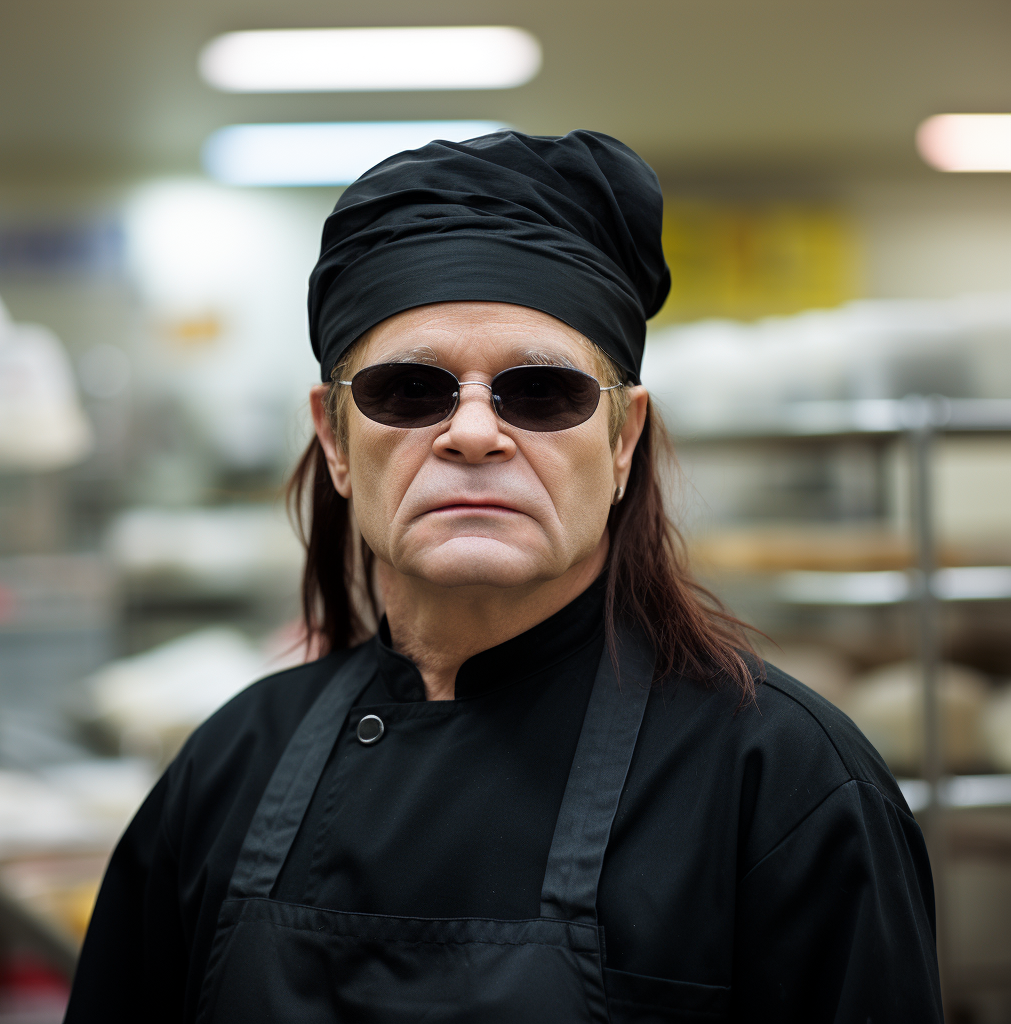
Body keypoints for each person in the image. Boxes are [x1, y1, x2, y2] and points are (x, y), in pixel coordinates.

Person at [64, 130, 942, 1023]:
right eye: (409, 390)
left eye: (541, 392)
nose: (475, 433)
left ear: (623, 439)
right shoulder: (231, 765)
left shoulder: (783, 785)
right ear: (333, 439)